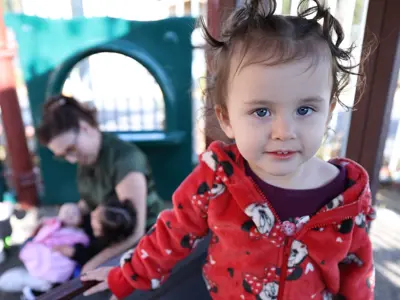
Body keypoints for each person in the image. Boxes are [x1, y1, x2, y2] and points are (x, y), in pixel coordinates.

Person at [81, 1, 376, 299]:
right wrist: (129, 274)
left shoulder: (347, 197)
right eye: (261, 112)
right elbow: (172, 233)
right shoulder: (218, 178)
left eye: (305, 109)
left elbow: (358, 270)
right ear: (227, 119)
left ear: (328, 112)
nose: (284, 132)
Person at [36, 95, 164, 273]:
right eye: (63, 156)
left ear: (85, 128)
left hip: (141, 239)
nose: (71, 159)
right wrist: (71, 211)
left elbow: (135, 232)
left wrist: (92, 265)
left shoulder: (125, 159)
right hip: (104, 233)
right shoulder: (87, 158)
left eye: (70, 149)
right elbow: (92, 200)